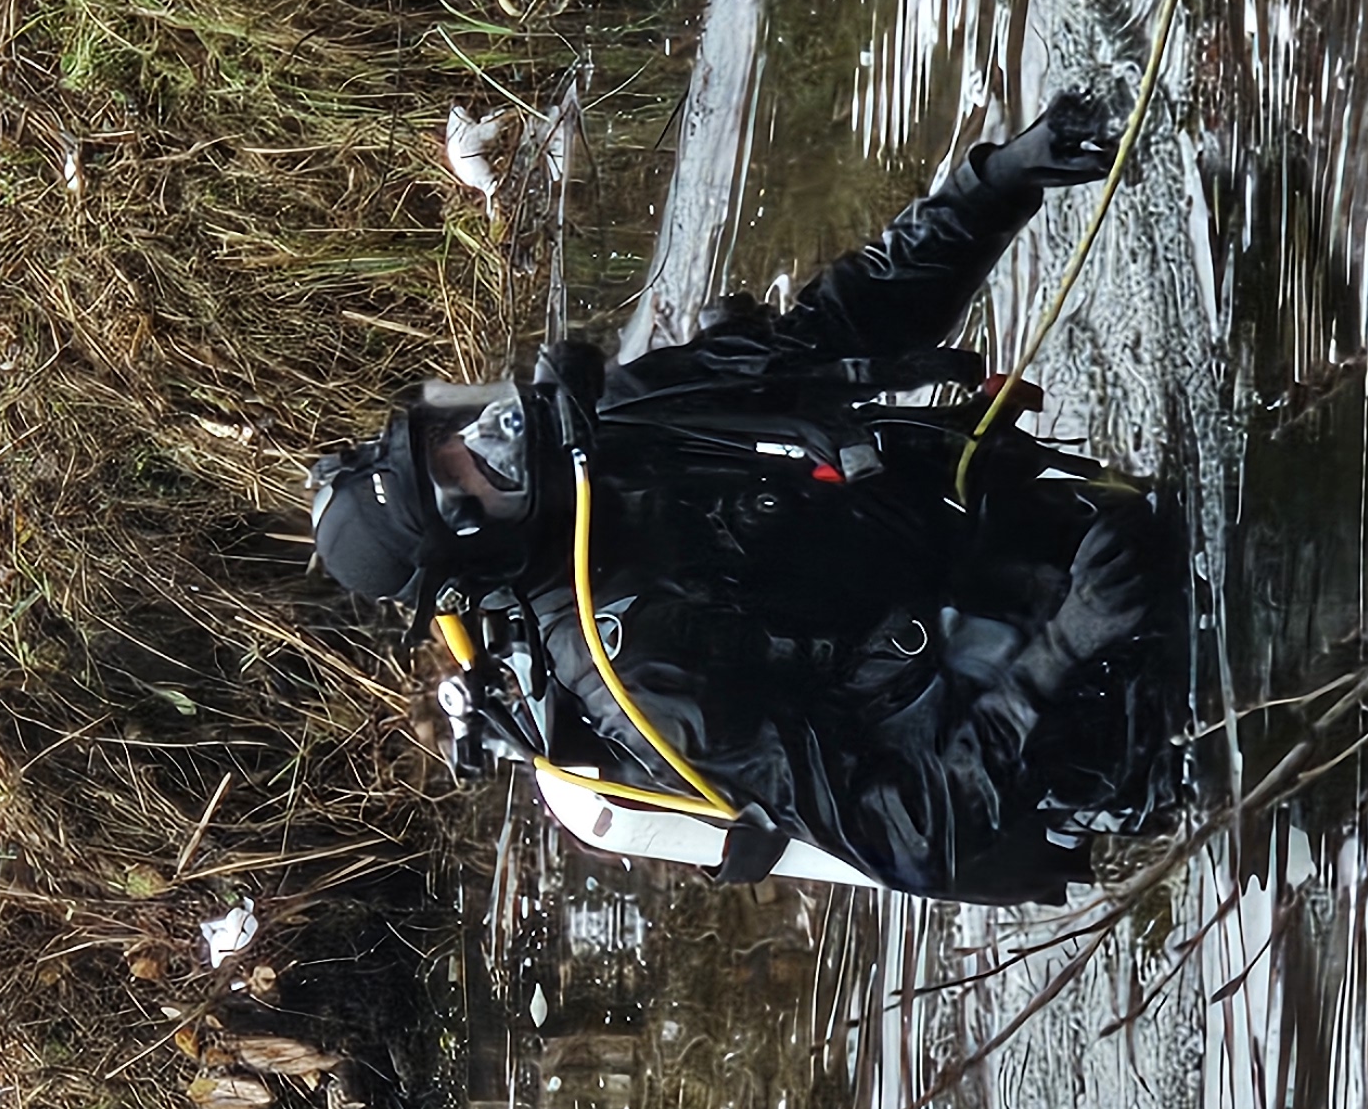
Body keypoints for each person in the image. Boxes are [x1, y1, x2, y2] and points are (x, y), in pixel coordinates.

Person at [308, 92, 1180, 903]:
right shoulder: (638, 672)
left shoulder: (616, 422)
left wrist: (992, 186)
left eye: (454, 436)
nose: (490, 447)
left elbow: (837, 329)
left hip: (1055, 562)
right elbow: (906, 831)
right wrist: (1071, 642)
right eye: (472, 485)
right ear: (479, 553)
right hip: (1103, 716)